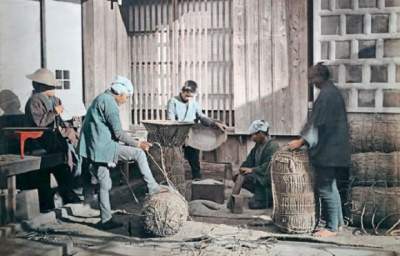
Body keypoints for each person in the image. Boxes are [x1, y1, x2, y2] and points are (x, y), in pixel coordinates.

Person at [78, 76, 167, 230]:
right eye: (127, 96)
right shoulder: (110, 104)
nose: (126, 100)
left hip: (93, 147)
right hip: (103, 147)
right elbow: (119, 133)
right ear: (120, 93)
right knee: (139, 154)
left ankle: (105, 220)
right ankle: (152, 186)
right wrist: (138, 143)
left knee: (104, 183)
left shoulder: (101, 98)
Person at [288, 62, 350, 237]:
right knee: (331, 186)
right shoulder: (333, 92)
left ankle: (331, 228)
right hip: (336, 149)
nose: (311, 82)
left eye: (312, 78)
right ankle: (338, 224)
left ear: (320, 77)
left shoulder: (326, 96)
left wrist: (300, 142)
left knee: (324, 187)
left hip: (328, 150)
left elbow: (315, 125)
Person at [23, 68, 81, 211]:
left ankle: (67, 195)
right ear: (41, 87)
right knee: (44, 174)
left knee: (64, 168)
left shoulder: (55, 100)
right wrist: (54, 112)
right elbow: (39, 124)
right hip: (39, 141)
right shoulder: (34, 101)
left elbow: (62, 120)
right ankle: (46, 205)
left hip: (55, 140)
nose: (54, 89)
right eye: (51, 86)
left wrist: (70, 122)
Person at [167, 80, 226, 180]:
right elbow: (171, 120)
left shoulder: (193, 103)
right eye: (187, 95)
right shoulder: (173, 101)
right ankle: (175, 180)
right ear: (182, 91)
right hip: (177, 134)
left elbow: (202, 117)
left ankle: (197, 179)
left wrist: (214, 123)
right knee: (176, 160)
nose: (189, 98)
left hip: (191, 134)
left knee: (194, 159)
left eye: (191, 96)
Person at [232, 120, 278, 209]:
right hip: (259, 178)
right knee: (238, 177)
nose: (252, 137)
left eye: (254, 135)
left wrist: (252, 170)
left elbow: (269, 166)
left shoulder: (273, 146)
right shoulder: (258, 146)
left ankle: (269, 199)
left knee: (253, 205)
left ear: (261, 133)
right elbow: (249, 160)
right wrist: (242, 169)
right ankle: (258, 195)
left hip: (268, 183)